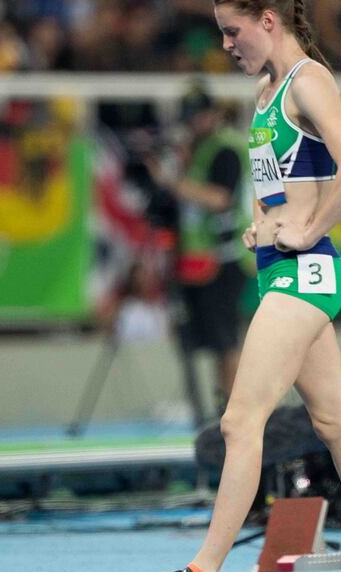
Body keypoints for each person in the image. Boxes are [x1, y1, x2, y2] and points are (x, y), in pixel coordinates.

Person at [166, 2, 341, 572]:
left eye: (231, 32)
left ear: (268, 21)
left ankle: (204, 568)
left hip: (307, 273)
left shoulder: (310, 81)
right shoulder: (265, 93)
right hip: (282, 270)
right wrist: (261, 221)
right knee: (335, 423)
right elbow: (271, 181)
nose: (225, 45)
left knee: (238, 422)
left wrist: (309, 229)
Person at [145, 81, 251, 425]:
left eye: (198, 116)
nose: (192, 123)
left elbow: (220, 198)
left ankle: (233, 414)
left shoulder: (225, 148)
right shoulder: (197, 149)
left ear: (215, 115)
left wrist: (170, 182)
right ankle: (217, 412)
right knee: (205, 339)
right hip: (197, 258)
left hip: (224, 256)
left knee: (225, 340)